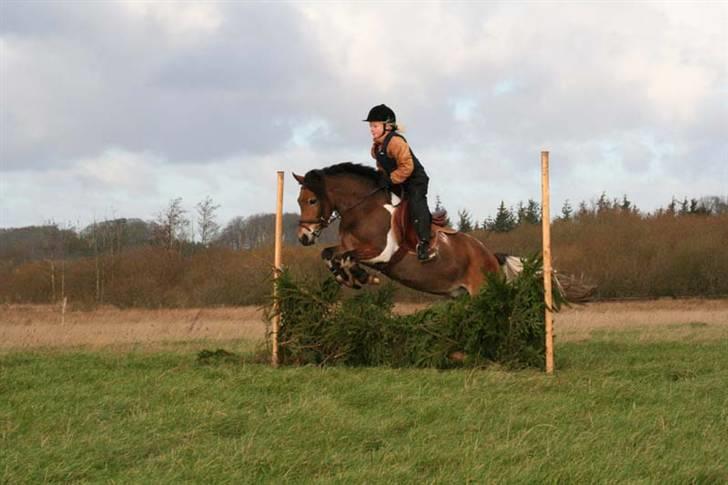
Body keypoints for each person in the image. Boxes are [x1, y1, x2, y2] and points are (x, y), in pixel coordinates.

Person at [364, 104, 436, 262]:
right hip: (398, 181)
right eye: (371, 126)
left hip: (415, 181)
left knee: (416, 204)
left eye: (375, 126)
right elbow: (381, 167)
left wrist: (389, 179)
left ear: (387, 126)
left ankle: (425, 243)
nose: (371, 129)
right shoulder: (376, 147)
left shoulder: (396, 142)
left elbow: (407, 167)